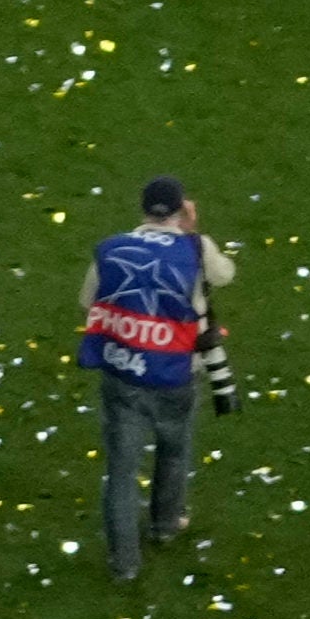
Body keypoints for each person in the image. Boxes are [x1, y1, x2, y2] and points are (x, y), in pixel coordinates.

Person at [82, 180, 228, 576]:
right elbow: (225, 275)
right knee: (174, 450)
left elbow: (88, 300)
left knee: (122, 472)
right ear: (182, 208)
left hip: (123, 372)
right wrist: (192, 231)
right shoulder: (194, 248)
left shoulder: (112, 248)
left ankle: (124, 563)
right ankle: (164, 525)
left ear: (143, 207)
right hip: (176, 372)